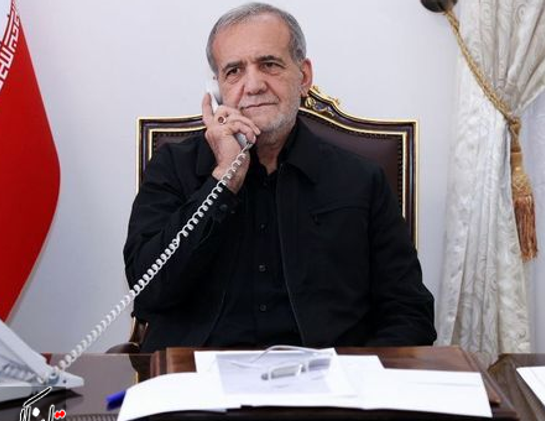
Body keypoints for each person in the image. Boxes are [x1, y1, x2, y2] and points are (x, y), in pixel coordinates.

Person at [124, 2, 436, 351]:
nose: (253, 85)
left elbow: (409, 312)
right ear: (218, 89)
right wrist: (222, 181)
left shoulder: (362, 180)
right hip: (199, 373)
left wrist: (359, 376)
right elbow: (148, 293)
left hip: (327, 375)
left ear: (304, 77)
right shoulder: (173, 167)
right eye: (234, 71)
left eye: (269, 64)